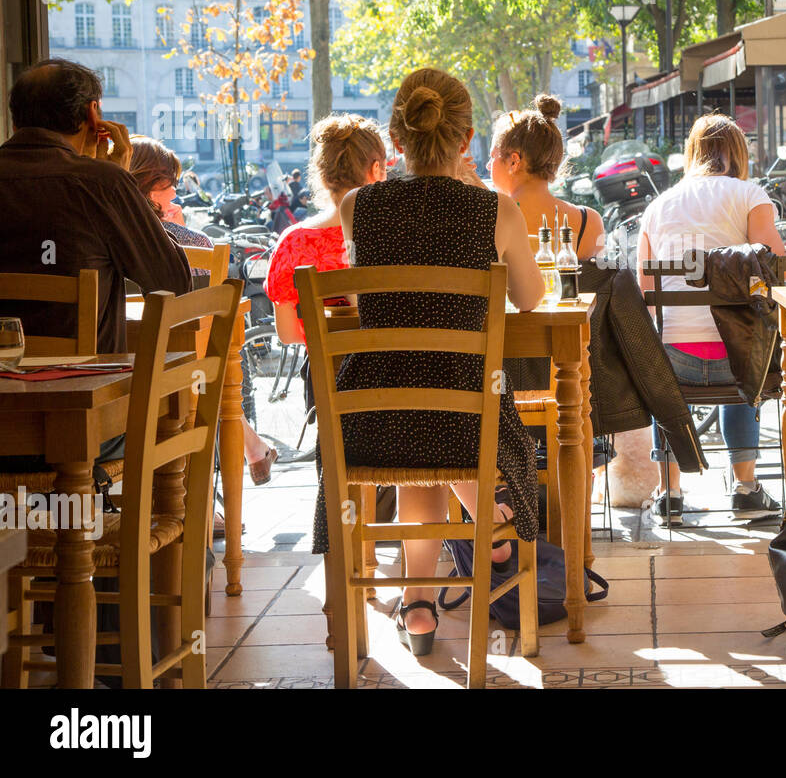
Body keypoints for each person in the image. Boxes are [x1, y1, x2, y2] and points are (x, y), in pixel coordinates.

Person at [314, 68, 544, 654]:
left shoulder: (358, 207)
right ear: (467, 140)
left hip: (375, 418)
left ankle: (418, 607)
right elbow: (530, 298)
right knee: (444, 412)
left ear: (396, 141)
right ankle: (490, 515)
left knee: (420, 422)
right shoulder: (495, 211)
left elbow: (367, 300)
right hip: (470, 417)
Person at [0, 59, 190, 476]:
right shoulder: (100, 183)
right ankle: (138, 538)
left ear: (16, 114)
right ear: (93, 114)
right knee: (180, 408)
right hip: (75, 426)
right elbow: (174, 283)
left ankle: (24, 534)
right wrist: (114, 178)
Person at [637, 114, 786, 522]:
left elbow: (645, 293)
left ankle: (669, 492)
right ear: (739, 153)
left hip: (676, 366)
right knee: (746, 341)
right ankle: (745, 487)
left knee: (665, 361)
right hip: (735, 363)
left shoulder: (657, 206)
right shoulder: (749, 194)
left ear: (692, 153)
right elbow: (777, 264)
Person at [129, 136, 280, 484]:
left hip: (122, 368)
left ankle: (252, 452)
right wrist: (181, 230)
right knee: (216, 374)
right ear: (153, 188)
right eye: (170, 184)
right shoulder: (192, 242)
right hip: (181, 375)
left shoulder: (107, 233)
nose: (177, 191)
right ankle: (218, 484)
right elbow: (207, 311)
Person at [264, 114, 388, 347]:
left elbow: (289, 335)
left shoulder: (293, 242)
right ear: (376, 169)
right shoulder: (393, 235)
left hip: (325, 378)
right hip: (390, 372)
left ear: (322, 174)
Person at [487, 94, 605, 260]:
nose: (488, 165)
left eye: (492, 157)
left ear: (514, 161)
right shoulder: (590, 222)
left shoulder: (490, 220)